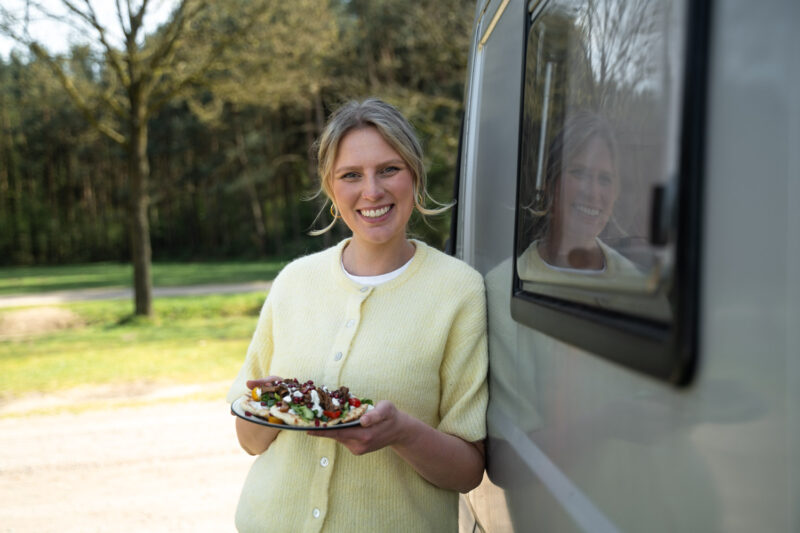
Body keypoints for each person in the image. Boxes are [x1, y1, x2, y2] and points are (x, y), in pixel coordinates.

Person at [226, 98, 488, 532]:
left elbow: (467, 472)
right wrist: (271, 408)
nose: (371, 191)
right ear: (331, 189)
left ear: (415, 176)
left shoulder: (458, 291)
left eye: (389, 169)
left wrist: (403, 432)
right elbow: (249, 440)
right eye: (351, 175)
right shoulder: (294, 282)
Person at [516, 110, 643, 288]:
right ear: (550, 183)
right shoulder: (503, 285)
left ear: (616, 193)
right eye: (579, 173)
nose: (592, 192)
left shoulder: (637, 287)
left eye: (605, 179)